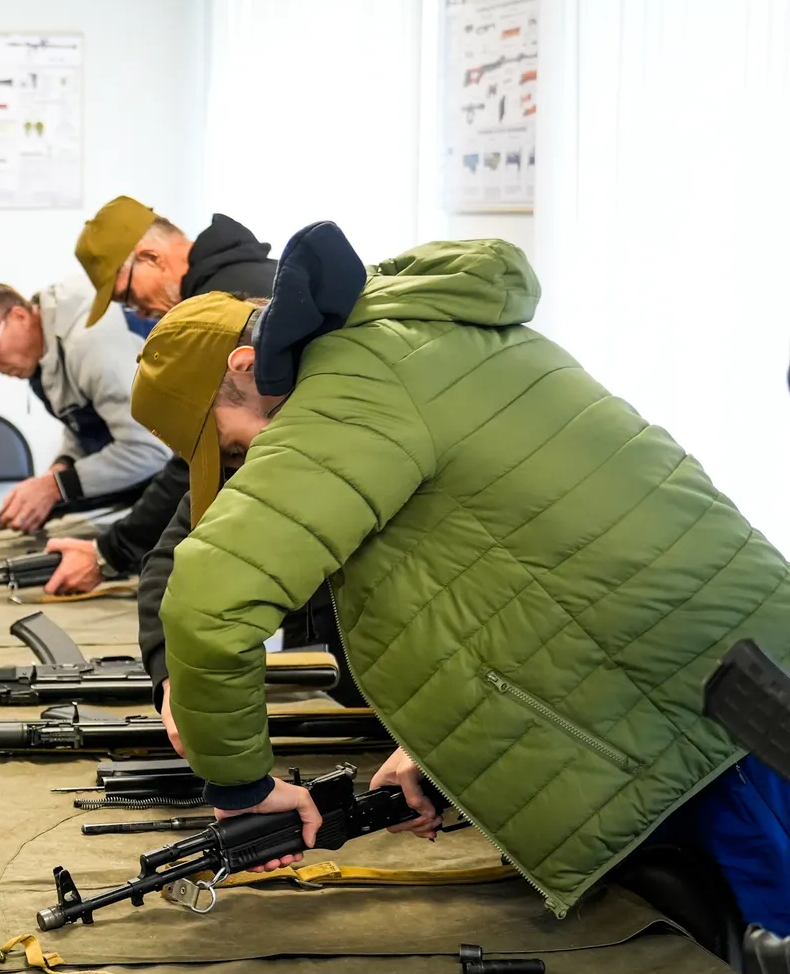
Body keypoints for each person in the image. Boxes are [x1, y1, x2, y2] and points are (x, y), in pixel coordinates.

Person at [134, 228, 790, 929]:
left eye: (234, 445)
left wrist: (241, 791)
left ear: (245, 366)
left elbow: (207, 605)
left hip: (705, 720)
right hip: (725, 669)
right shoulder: (421, 335)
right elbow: (521, 573)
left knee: (764, 930)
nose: (245, 464)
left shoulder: (345, 393)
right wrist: (442, 747)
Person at [41, 198, 276, 596]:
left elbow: (201, 456)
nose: (141, 313)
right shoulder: (254, 276)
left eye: (127, 298)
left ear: (151, 257)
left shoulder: (224, 311)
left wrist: (110, 552)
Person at [0, 278, 169, 537]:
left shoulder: (91, 343)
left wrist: (56, 487)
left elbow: (152, 449)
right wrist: (61, 467)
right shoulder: (46, 350)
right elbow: (90, 423)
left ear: (19, 316)